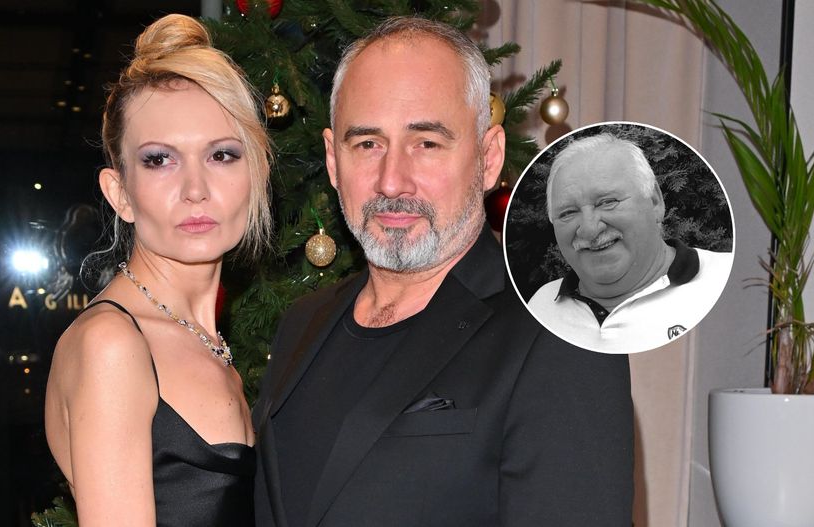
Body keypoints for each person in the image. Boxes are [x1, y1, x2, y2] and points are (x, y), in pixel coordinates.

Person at [252, 17, 634, 527]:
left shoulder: (561, 334)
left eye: (426, 143)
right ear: (333, 160)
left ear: (488, 157)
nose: (392, 181)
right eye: (367, 144)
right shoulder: (304, 321)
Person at [44, 14, 270, 526]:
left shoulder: (200, 338)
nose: (196, 189)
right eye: (159, 160)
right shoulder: (112, 345)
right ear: (119, 192)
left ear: (256, 174)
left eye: (221, 154)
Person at [527, 133, 733, 354]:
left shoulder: (726, 280)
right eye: (568, 213)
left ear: (655, 202)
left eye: (607, 202)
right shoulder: (541, 306)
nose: (589, 229)